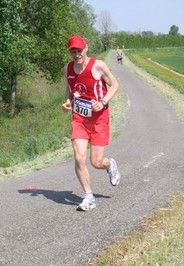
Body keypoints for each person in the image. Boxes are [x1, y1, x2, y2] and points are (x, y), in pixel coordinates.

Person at [62, 35, 121, 211]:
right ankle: (89, 197)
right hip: (79, 118)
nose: (77, 54)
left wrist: (102, 102)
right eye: (73, 51)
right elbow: (69, 88)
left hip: (99, 119)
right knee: (79, 157)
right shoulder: (67, 68)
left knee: (96, 162)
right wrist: (67, 102)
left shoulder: (98, 65)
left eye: (79, 50)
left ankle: (110, 165)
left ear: (86, 48)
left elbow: (115, 84)